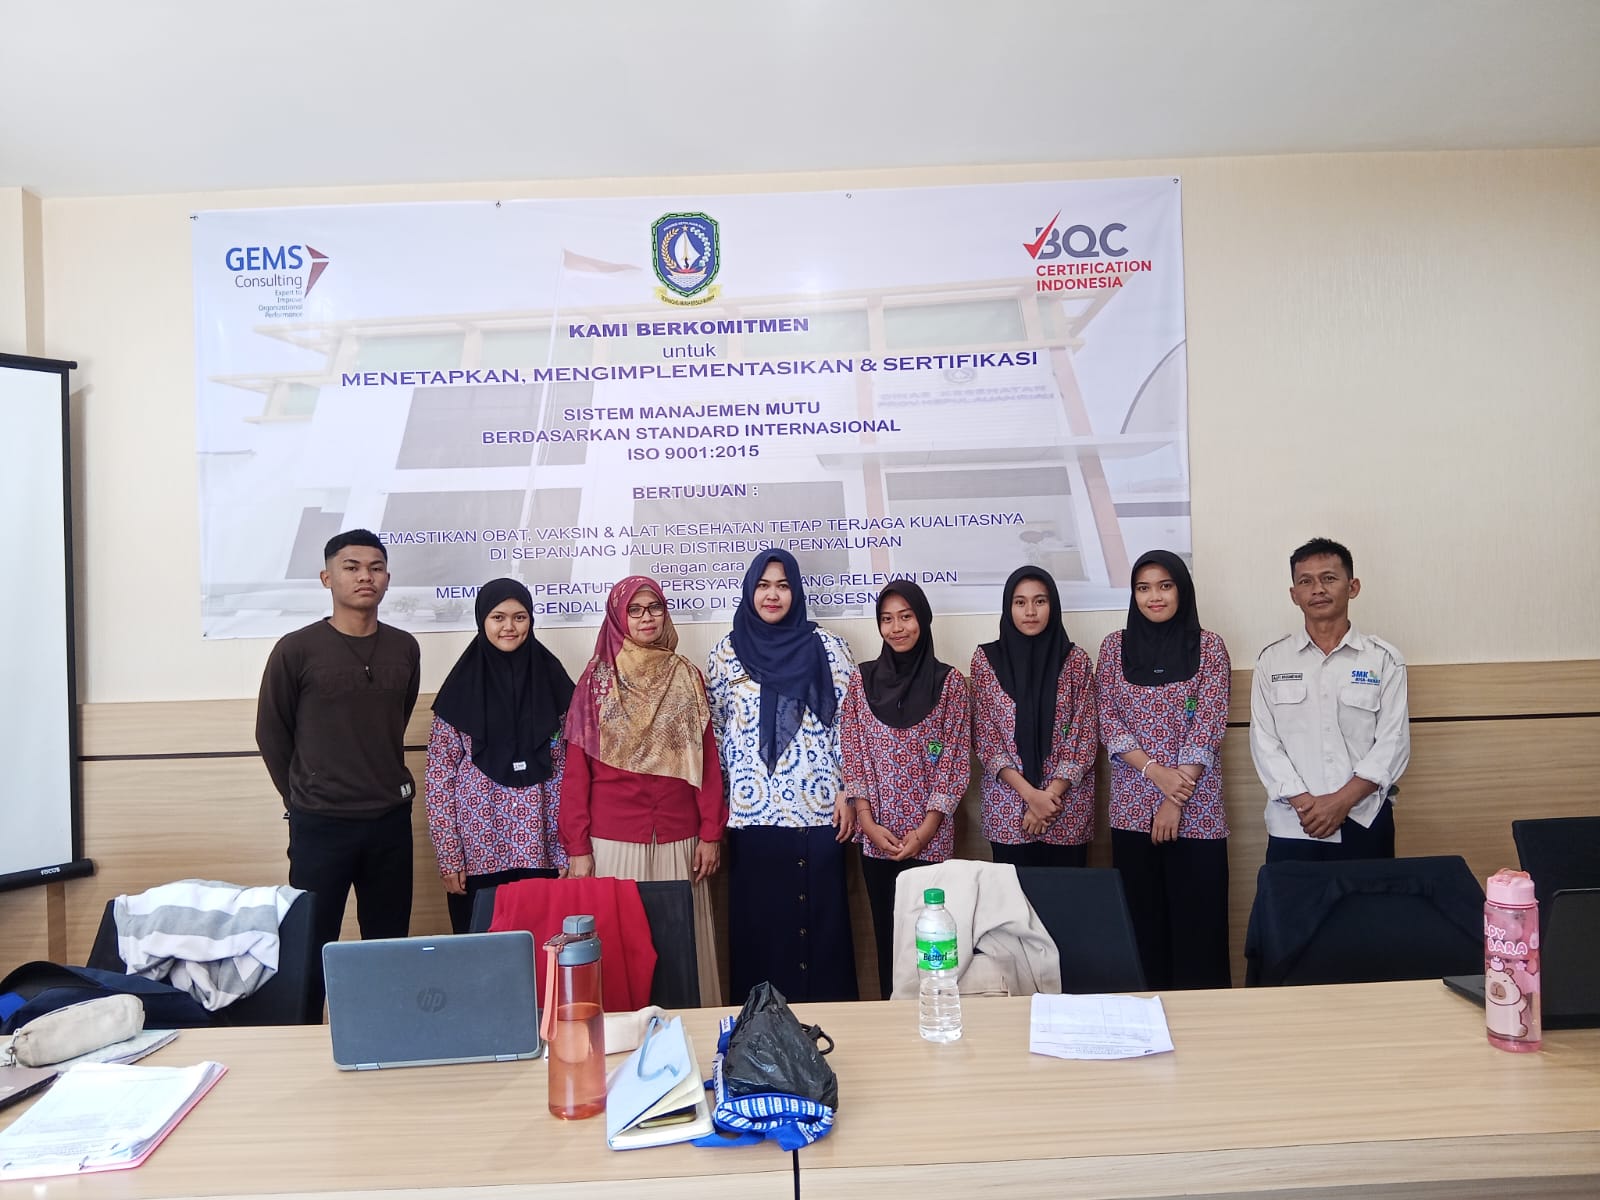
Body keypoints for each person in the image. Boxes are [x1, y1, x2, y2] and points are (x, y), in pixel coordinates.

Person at [559, 575, 726, 1005]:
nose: (646, 617)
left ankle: (689, 1034)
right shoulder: (596, 682)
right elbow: (576, 772)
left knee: (680, 951)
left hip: (678, 835)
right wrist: (577, 846)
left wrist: (711, 833)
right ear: (618, 618)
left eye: (654, 608)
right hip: (614, 838)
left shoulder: (686, 676)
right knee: (620, 949)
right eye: (634, 610)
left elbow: (706, 762)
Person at [255, 529, 421, 955]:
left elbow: (397, 717)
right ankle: (308, 1006)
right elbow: (271, 732)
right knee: (310, 942)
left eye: (376, 568)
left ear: (387, 579)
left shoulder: (405, 647)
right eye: (352, 567)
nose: (365, 576)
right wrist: (300, 797)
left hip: (389, 820)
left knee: (388, 943)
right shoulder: (296, 650)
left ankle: (382, 1005)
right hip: (320, 822)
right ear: (327, 578)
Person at [706, 549, 857, 1003]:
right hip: (754, 815)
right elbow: (717, 733)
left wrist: (849, 791)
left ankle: (832, 1029)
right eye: (763, 586)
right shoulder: (726, 653)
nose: (772, 595)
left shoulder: (828, 647)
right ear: (750, 591)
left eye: (783, 586)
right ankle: (762, 1032)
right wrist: (719, 810)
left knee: (821, 937)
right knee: (762, 935)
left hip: (821, 812)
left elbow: (850, 725)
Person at [1096, 550, 1232, 989]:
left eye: (1165, 586)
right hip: (1132, 811)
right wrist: (1155, 772)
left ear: (1182, 590)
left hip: (1197, 811)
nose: (1154, 596)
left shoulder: (1210, 647)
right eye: (1143, 588)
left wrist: (1174, 799)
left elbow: (1208, 724)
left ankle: (1205, 1023)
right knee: (1141, 926)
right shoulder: (1113, 648)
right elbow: (1109, 720)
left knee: (1200, 928)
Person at [841, 579, 972, 999]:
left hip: (931, 840)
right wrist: (866, 821)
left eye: (906, 617)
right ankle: (891, 1019)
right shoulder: (861, 681)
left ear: (923, 619)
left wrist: (927, 829)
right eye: (887, 619)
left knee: (933, 942)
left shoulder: (949, 683)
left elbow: (954, 761)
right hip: (877, 837)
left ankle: (937, 1012)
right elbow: (854, 752)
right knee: (887, 938)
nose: (896, 628)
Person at [426, 578, 576, 935]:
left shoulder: (554, 682)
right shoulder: (459, 691)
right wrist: (450, 857)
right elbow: (439, 782)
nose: (509, 627)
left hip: (544, 847)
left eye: (519, 617)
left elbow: (573, 772)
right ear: (482, 620)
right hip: (478, 853)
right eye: (498, 617)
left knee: (546, 947)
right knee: (482, 951)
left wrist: (570, 850)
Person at [1250, 537, 1410, 862]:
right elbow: (1264, 742)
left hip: (1364, 820)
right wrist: (1303, 801)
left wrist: (1340, 802)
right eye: (1306, 581)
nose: (1318, 589)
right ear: (1294, 595)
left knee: (1370, 898)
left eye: (1329, 578)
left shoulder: (1383, 659)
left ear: (1353, 587)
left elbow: (1393, 743)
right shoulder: (1272, 661)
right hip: (1294, 823)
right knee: (1290, 899)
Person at [971, 566, 1098, 868]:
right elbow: (986, 739)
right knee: (1012, 897)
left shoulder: (1075, 661)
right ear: (1008, 607)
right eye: (1020, 602)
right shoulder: (986, 661)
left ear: (1052, 606)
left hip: (1065, 808)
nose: (1030, 611)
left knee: (1066, 896)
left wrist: (1049, 797)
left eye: (1040, 601)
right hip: (1008, 808)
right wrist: (1031, 796)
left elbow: (1084, 738)